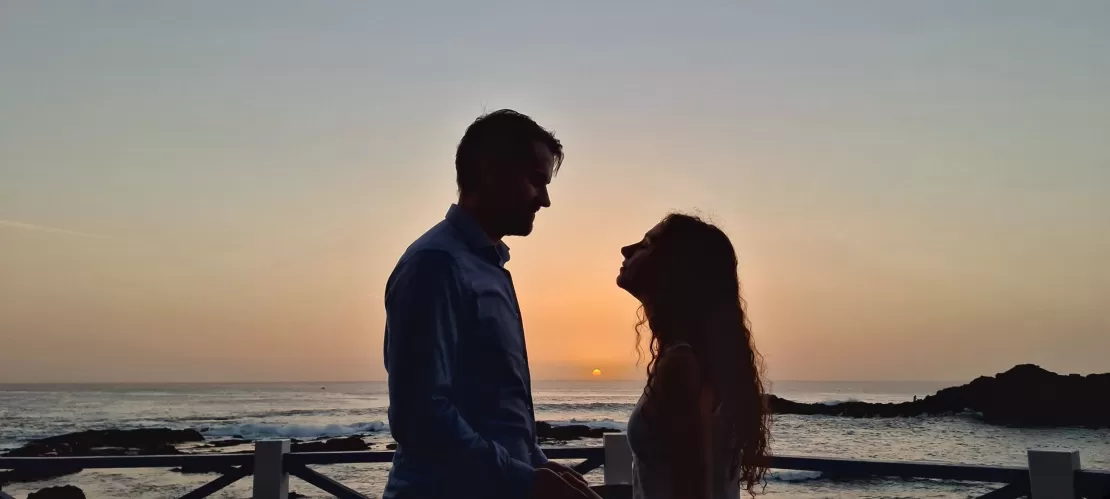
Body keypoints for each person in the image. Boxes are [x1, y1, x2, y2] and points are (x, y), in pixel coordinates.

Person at [383, 109, 598, 499]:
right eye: (536, 181)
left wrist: (538, 463)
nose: (545, 200)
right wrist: (527, 480)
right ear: (490, 170)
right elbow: (420, 415)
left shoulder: (489, 268)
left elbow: (500, 409)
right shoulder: (436, 264)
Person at [616, 213, 772, 499]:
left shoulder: (681, 364)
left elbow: (694, 486)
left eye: (647, 244)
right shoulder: (697, 358)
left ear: (673, 269)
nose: (627, 249)